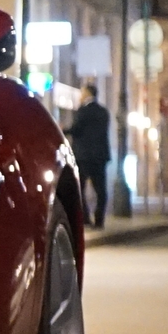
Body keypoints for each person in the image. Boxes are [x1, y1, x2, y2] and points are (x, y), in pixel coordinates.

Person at [67, 82, 112, 228]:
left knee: (79, 189)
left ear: (87, 94)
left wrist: (62, 129)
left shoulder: (83, 111)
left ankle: (85, 218)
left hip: (84, 156)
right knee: (101, 190)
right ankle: (99, 220)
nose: (80, 95)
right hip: (100, 157)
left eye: (82, 92)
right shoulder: (103, 111)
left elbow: (76, 129)